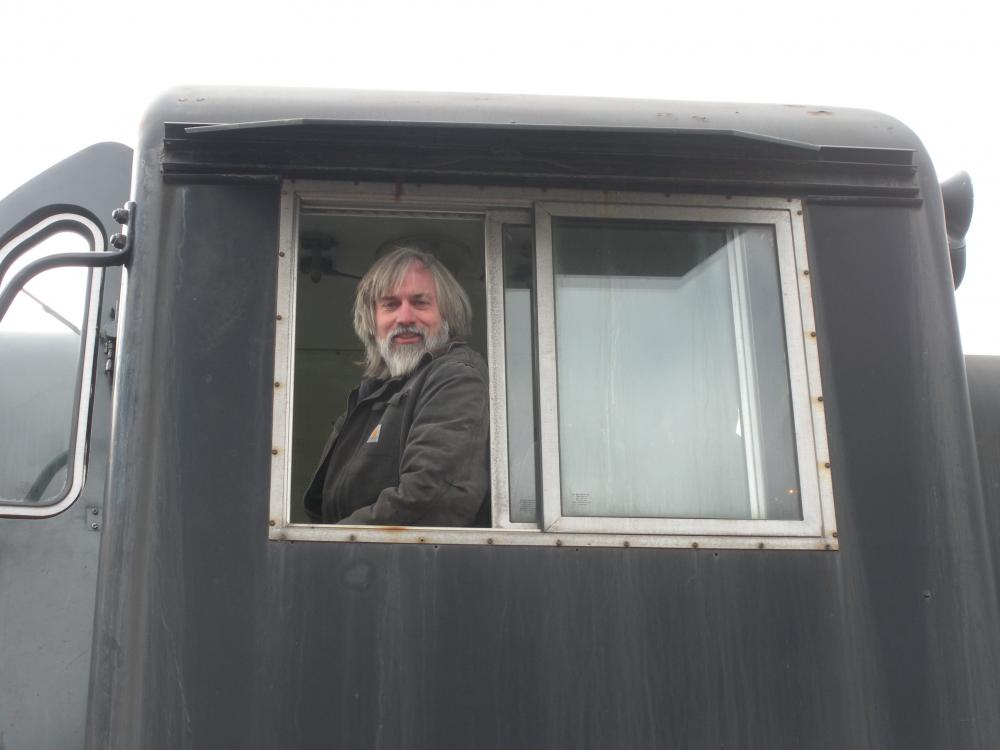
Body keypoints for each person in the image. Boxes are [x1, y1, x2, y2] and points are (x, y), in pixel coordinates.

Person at [303, 246, 490, 526]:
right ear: (372, 321)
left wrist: (333, 542)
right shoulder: (370, 396)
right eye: (390, 305)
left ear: (447, 315)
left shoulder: (456, 376)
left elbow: (432, 497)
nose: (405, 318)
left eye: (420, 303)